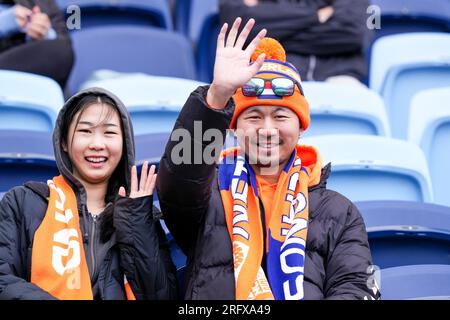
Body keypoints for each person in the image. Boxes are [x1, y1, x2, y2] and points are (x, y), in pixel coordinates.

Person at [156, 17, 380, 300]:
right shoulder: (208, 193)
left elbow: (355, 288)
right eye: (253, 116)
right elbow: (176, 182)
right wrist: (217, 97)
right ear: (234, 128)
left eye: (280, 116)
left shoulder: (338, 212)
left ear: (301, 128)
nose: (267, 129)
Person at [0, 87, 177, 300]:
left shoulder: (139, 217)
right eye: (85, 131)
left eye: (109, 133)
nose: (97, 144)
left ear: (125, 145)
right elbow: (3, 280)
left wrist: (137, 225)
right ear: (64, 142)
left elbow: (162, 296)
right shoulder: (23, 202)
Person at [219, 0, 372, 86]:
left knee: (354, 98)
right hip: (271, 76)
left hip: (340, 77)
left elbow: (354, 34)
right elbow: (240, 25)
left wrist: (279, 32)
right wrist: (316, 16)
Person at [0, 0, 74, 88]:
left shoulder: (40, 2)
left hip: (37, 82)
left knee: (59, 51)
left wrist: (45, 33)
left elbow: (63, 45)